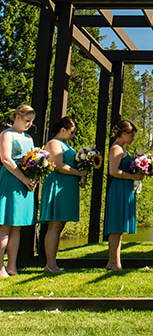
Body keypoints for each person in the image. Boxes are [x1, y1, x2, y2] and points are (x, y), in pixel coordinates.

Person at [39, 117, 88, 274]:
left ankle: (53, 263)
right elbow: (59, 165)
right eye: (72, 132)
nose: (74, 135)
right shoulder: (54, 143)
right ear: (63, 130)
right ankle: (50, 265)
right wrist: (78, 172)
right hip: (57, 184)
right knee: (54, 225)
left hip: (67, 187)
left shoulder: (66, 145)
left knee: (60, 225)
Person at [0, 105, 37, 277]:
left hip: (25, 183)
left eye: (31, 122)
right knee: (5, 226)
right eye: (27, 120)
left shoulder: (29, 137)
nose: (29, 124)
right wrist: (22, 178)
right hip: (11, 180)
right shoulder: (7, 134)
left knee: (17, 227)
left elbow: (33, 159)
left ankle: (12, 266)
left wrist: (36, 175)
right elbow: (6, 159)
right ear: (17, 117)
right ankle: (0, 267)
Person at [103, 120, 144, 271]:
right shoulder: (116, 149)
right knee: (115, 227)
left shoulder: (122, 148)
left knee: (119, 228)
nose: (132, 139)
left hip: (125, 189)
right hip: (119, 188)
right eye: (131, 136)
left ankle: (115, 262)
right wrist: (133, 177)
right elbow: (113, 171)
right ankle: (113, 262)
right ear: (124, 134)